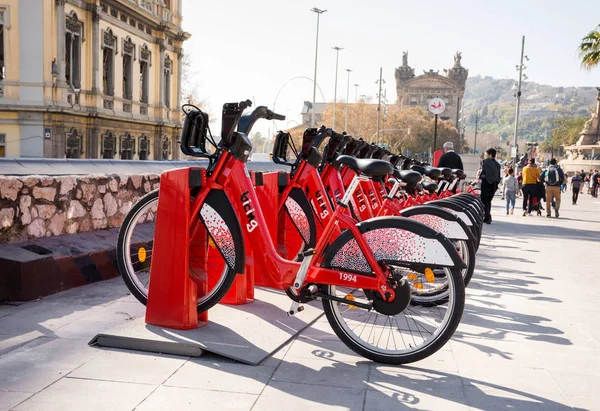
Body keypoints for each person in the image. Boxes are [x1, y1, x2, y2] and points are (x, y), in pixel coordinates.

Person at [478, 148, 502, 224]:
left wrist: (481, 177)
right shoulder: (498, 165)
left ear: (490, 155)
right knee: (488, 201)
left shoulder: (485, 162)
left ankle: (487, 216)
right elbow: (499, 176)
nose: (486, 156)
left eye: (486, 154)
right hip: (494, 184)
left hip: (486, 183)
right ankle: (487, 216)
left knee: (484, 200)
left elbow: (483, 172)